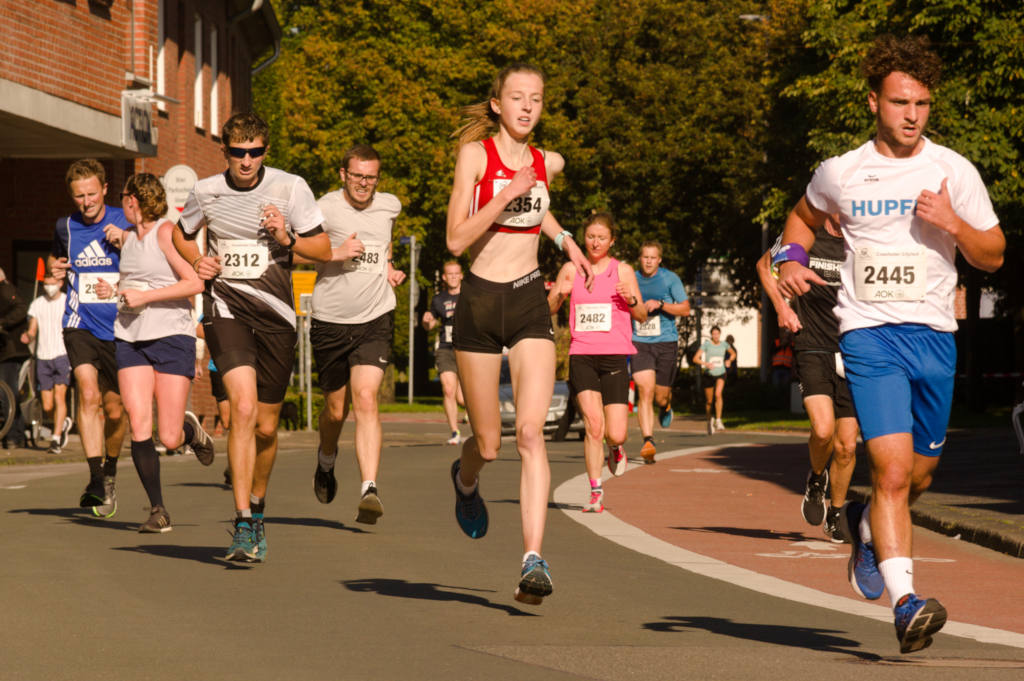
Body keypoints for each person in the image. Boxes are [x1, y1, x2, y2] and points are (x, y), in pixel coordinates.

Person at [776, 35, 1004, 654]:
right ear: (874, 101)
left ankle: (862, 526)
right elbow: (797, 220)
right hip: (869, 334)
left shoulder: (953, 170)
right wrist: (787, 259)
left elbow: (994, 253)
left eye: (923, 104)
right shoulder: (841, 172)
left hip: (933, 337)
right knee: (894, 471)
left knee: (921, 475)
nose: (913, 115)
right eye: (902, 102)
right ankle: (906, 604)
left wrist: (953, 224)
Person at [446, 62, 592, 605]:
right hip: (481, 303)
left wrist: (568, 241)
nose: (527, 107)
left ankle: (533, 559)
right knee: (489, 442)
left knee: (530, 434)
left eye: (535, 99)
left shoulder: (546, 162)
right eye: (516, 98)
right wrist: (506, 194)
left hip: (530, 299)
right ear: (496, 105)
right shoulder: (474, 157)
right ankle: (464, 480)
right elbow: (456, 239)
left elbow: (543, 210)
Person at [174, 112, 331, 562]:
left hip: (277, 314)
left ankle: (258, 506)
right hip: (226, 307)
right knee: (241, 407)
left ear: (266, 151)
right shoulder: (206, 190)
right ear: (225, 151)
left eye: (255, 152)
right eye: (238, 152)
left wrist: (286, 235)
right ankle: (242, 521)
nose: (247, 161)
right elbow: (181, 234)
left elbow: (322, 249)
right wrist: (197, 264)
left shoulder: (290, 187)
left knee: (265, 426)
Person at [94, 173, 212, 532]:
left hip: (171, 337)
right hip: (130, 338)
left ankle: (192, 434)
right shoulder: (129, 239)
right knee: (139, 421)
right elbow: (137, 282)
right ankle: (158, 510)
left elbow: (195, 282)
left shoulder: (166, 232)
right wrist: (112, 289)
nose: (121, 203)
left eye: (123, 196)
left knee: (170, 437)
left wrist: (144, 297)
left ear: (134, 200)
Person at [306, 144, 406, 525]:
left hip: (375, 317)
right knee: (335, 410)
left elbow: (382, 246)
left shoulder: (390, 206)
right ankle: (326, 459)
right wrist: (334, 252)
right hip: (330, 320)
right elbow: (291, 248)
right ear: (342, 174)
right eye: (358, 176)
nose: (365, 184)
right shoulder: (323, 207)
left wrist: (390, 267)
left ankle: (369, 488)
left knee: (366, 397)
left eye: (371, 177)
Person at [757, 216, 858, 542]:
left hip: (856, 349)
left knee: (846, 446)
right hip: (812, 345)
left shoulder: (865, 238)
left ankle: (837, 512)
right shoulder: (803, 235)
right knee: (824, 429)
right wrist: (782, 309)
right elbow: (763, 266)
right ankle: (817, 479)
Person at [548, 213, 645, 512]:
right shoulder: (569, 269)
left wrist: (631, 299)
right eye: (590, 236)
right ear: (583, 238)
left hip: (615, 354)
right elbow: (546, 309)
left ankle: (615, 449)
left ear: (612, 241)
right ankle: (595, 491)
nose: (595, 242)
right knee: (593, 425)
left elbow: (641, 315)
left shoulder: (623, 271)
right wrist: (560, 297)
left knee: (615, 432)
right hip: (582, 354)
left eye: (602, 238)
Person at [49, 159, 129, 515]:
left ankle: (109, 468)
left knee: (116, 409)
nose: (86, 201)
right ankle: (95, 478)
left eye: (92, 193)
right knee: (88, 391)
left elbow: (155, 255)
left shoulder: (126, 219)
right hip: (79, 321)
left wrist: (126, 241)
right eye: (79, 196)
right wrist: (55, 266)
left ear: (105, 190)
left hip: (121, 326)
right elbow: (55, 255)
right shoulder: (64, 226)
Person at [631, 241, 690, 463]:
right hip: (639, 341)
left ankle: (666, 406)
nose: (648, 261)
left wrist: (661, 304)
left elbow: (685, 308)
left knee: (659, 396)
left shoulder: (669, 279)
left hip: (666, 342)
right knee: (644, 390)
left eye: (653, 258)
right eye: (645, 257)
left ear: (659, 260)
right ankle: (648, 440)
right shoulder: (632, 278)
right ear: (640, 258)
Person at [21, 275, 73, 454]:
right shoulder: (37, 304)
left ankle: (56, 439)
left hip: (62, 355)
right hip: (43, 356)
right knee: (47, 405)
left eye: (52, 284)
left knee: (60, 398)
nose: (49, 287)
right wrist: (28, 335)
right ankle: (63, 422)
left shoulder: (67, 301)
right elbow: (33, 328)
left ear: (60, 283)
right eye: (46, 284)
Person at [422, 260, 465, 445]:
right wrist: (426, 321)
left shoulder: (469, 296)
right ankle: (455, 431)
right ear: (445, 277)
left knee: (463, 398)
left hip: (467, 348)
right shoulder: (439, 299)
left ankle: (477, 417)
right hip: (446, 348)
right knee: (448, 390)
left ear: (461, 275)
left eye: (457, 273)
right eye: (450, 274)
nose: (454, 277)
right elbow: (430, 325)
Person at [0, 267, 30, 449]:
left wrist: (3, 323)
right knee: (6, 393)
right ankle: (15, 434)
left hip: (11, 351)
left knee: (7, 393)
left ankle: (13, 435)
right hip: (4, 351)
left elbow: (21, 308)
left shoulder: (5, 289)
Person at [693, 326, 735, 434]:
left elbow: (733, 354)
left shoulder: (724, 344)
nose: (715, 336)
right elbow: (695, 358)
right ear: (711, 335)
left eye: (717, 334)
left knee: (718, 394)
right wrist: (705, 363)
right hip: (709, 374)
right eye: (714, 334)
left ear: (720, 334)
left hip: (721, 373)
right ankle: (709, 421)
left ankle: (718, 420)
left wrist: (729, 360)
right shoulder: (706, 344)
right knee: (709, 401)